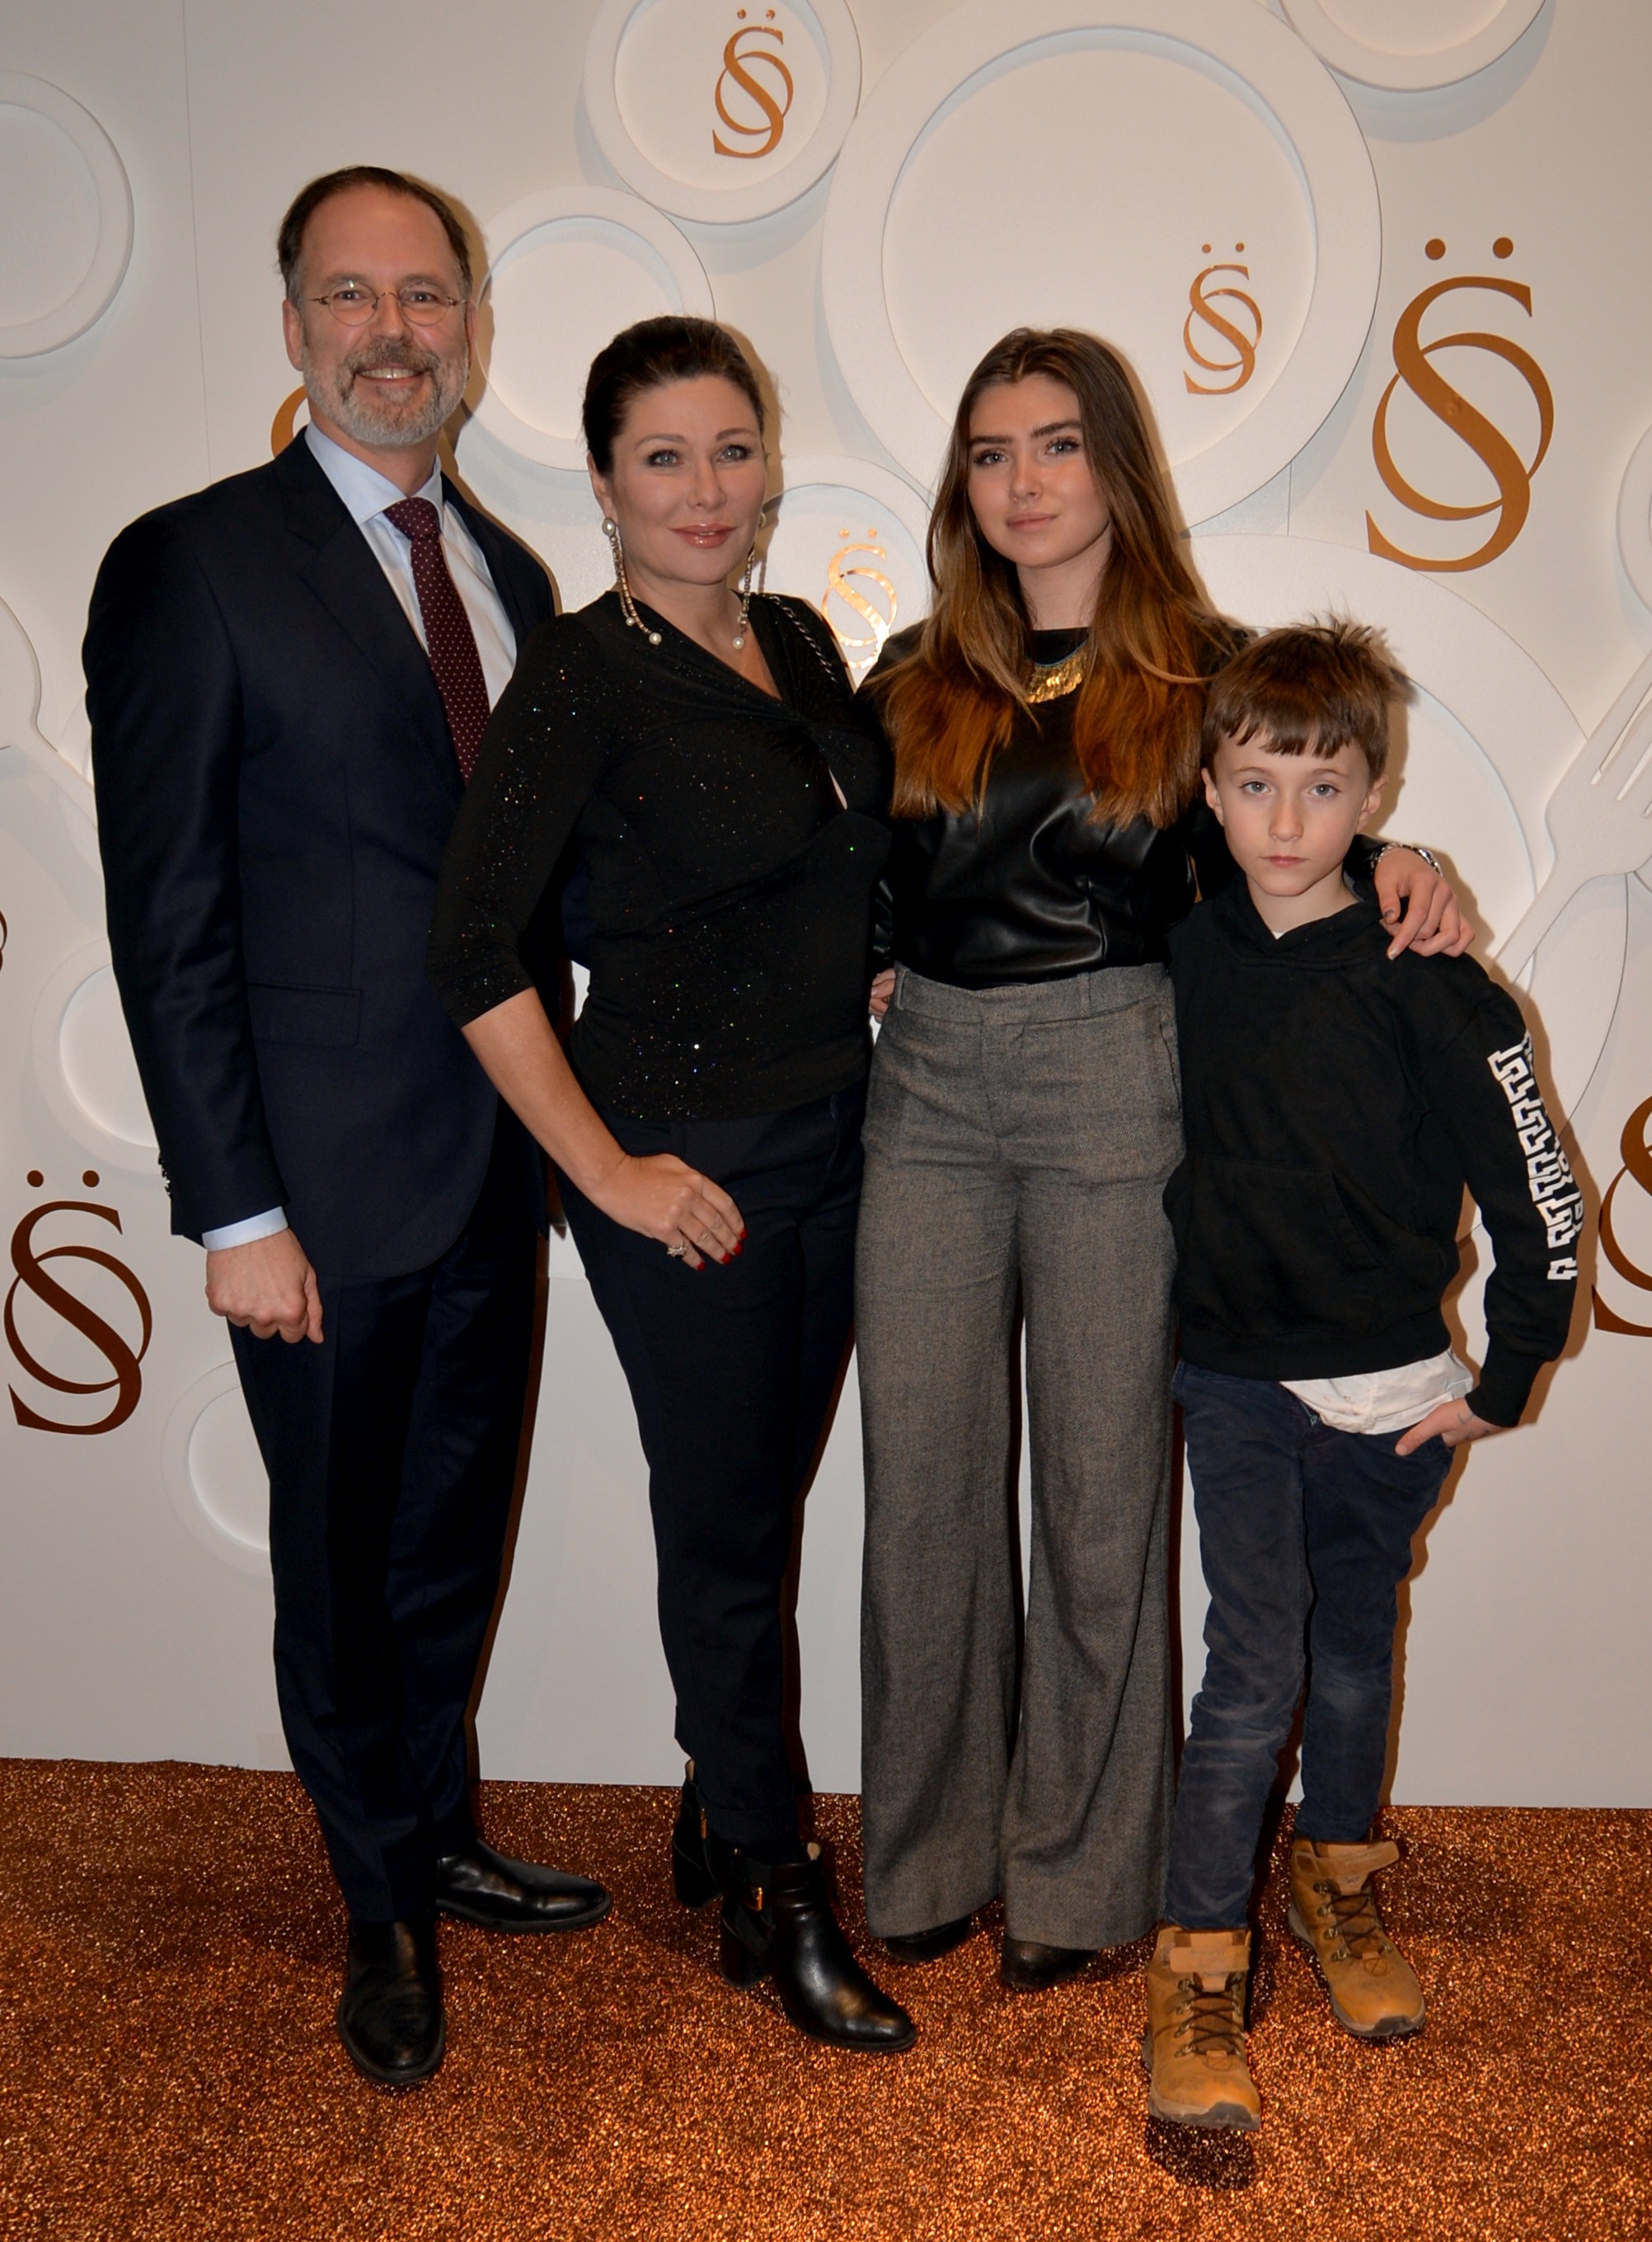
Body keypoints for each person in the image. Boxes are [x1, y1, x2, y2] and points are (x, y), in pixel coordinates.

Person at [856, 327, 1469, 1993]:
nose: (1024, 482)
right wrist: (866, 961)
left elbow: (1298, 820)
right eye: (992, 452)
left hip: (1118, 1074)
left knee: (1104, 1493)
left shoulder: (1209, 669)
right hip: (929, 1090)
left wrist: (1406, 860)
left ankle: (1080, 1877)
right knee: (923, 1487)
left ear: (1119, 466)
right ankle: (925, 1853)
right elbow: (852, 874)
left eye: (1058, 444)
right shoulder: (910, 669)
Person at [85, 166, 610, 2090]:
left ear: (472, 323)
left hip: (493, 1170)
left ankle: (439, 1825)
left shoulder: (512, 575)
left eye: (425, 295)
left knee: (450, 1530)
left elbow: (529, 887)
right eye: (351, 295)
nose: (394, 333)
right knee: (337, 1554)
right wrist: (234, 1209)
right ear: (295, 326)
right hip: (311, 1190)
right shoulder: (190, 565)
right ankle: (378, 1906)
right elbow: (170, 919)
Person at [426, 315, 914, 2053]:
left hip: (845, 1140)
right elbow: (474, 948)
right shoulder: (580, 671)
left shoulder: (799, 637)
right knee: (723, 1529)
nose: (704, 489)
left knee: (764, 1501)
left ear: (769, 462)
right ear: (605, 483)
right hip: (685, 1171)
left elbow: (832, 853)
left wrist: (869, 954)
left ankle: (722, 1793)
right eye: (662, 458)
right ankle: (777, 1889)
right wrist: (608, 1175)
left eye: (731, 448)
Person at [1143, 620, 1579, 2130]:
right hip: (1234, 1381)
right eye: (1256, 785)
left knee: (1351, 1652)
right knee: (1253, 1662)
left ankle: (1336, 1881)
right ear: (1210, 791)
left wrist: (1508, 1373)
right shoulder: (1183, 949)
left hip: (1394, 1394)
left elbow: (1537, 1185)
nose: (1286, 821)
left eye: (1323, 790)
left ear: (1374, 796)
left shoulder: (1432, 979)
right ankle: (1199, 1961)